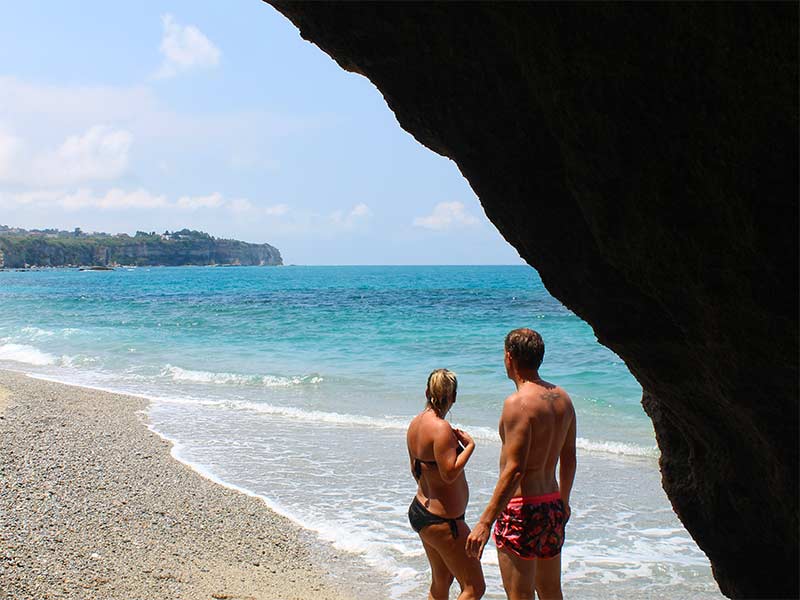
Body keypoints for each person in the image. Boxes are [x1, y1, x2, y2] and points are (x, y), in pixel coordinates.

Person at [466, 329, 576, 600]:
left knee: (519, 594)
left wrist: (485, 521)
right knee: (551, 593)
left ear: (509, 357)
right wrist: (563, 500)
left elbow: (515, 469)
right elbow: (569, 458)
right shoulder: (564, 399)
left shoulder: (517, 404)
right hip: (551, 506)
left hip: (521, 510)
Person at [407, 368, 485, 600]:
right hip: (444, 521)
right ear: (453, 396)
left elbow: (415, 470)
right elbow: (449, 473)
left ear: (427, 392)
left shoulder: (415, 424)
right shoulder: (441, 429)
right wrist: (470, 446)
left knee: (442, 581)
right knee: (474, 588)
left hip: (421, 511)